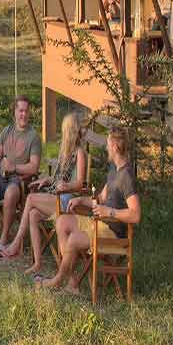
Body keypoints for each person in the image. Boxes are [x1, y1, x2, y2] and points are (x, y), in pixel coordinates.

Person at [38, 124, 142, 296]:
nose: (107, 148)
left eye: (109, 144)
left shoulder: (126, 177)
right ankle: (72, 283)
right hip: (100, 223)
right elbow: (100, 198)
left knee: (72, 240)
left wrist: (109, 212)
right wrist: (81, 200)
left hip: (114, 232)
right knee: (62, 221)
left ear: (115, 147)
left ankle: (56, 281)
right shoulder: (114, 169)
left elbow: (136, 214)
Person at [0, 111, 90, 268]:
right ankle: (38, 263)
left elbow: (81, 183)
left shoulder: (80, 153)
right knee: (33, 214)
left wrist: (67, 186)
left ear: (70, 131)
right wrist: (46, 180)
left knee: (31, 199)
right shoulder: (66, 154)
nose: (63, 134)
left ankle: (15, 244)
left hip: (68, 201)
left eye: (64, 130)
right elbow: (57, 179)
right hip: (57, 195)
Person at [0, 94, 42, 254]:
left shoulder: (34, 137)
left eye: (26, 111)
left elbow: (34, 167)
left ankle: (3, 240)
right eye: (20, 111)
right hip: (1, 177)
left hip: (19, 181)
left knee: (11, 192)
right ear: (15, 112)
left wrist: (14, 168)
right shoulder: (6, 131)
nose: (23, 114)